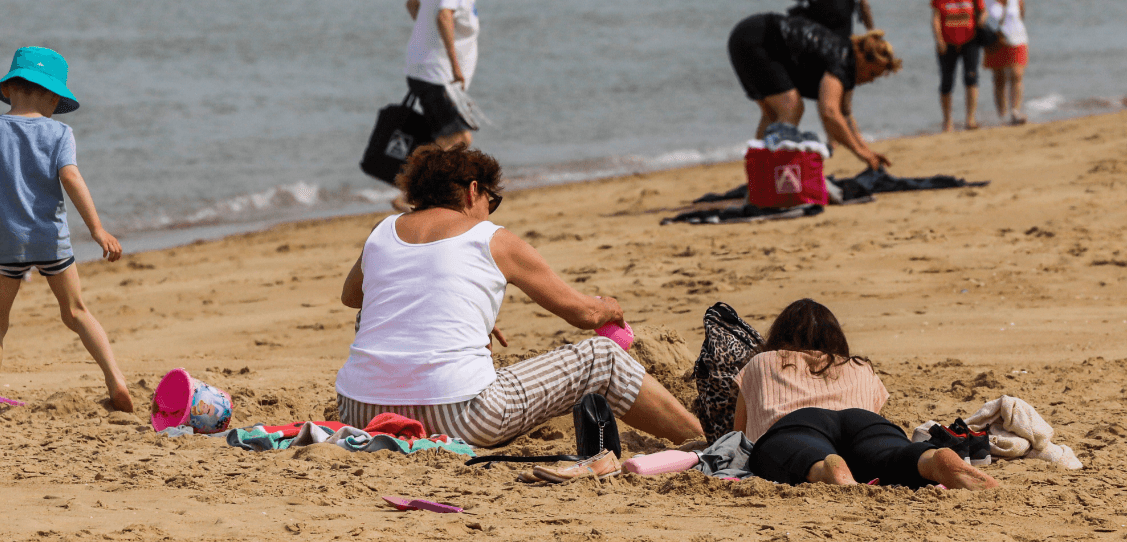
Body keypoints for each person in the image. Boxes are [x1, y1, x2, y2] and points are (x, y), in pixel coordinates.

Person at [335, 144, 704, 447]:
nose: (488, 212)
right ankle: (703, 439)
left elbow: (353, 296)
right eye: (491, 202)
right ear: (473, 190)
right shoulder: (491, 238)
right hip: (460, 415)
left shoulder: (382, 232)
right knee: (601, 358)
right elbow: (582, 315)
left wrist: (462, 312)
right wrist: (608, 306)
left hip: (362, 414)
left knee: (371, 308)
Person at [0, 46, 132, 417]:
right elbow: (71, 178)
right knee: (75, 312)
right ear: (54, 96)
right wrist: (97, 229)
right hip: (50, 240)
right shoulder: (59, 133)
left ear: (8, 90)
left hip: (4, 244)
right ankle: (116, 379)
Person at [735, 299, 999, 490]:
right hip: (863, 422)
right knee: (889, 455)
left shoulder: (762, 361)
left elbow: (740, 436)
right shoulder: (860, 367)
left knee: (801, 453)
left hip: (798, 423)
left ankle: (824, 470)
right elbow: (872, 417)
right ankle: (929, 460)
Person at [727, 12, 902, 171]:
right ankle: (770, 178)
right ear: (862, 56)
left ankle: (759, 178)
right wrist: (861, 154)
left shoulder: (848, 63)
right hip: (758, 39)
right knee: (791, 107)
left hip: (747, 35)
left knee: (774, 115)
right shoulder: (842, 61)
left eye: (875, 78)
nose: (870, 80)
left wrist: (867, 152)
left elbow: (845, 116)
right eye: (872, 73)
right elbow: (830, 113)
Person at [402, 0, 499, 151]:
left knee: (446, 140)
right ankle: (435, 183)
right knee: (458, 140)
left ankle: (423, 182)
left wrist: (427, 36)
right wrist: (455, 66)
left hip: (430, 74)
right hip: (436, 76)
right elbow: (443, 15)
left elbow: (412, 3)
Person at [930, 0, 988, 132]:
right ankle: (947, 121)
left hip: (970, 41)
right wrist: (939, 39)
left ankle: (970, 119)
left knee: (971, 78)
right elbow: (936, 18)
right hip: (946, 44)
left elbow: (983, 11)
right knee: (946, 82)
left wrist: (981, 21)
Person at [983, 0, 1029, 125]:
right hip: (996, 42)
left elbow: (1021, 15)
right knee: (999, 78)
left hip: (1017, 39)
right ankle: (1001, 114)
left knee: (1016, 75)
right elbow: (985, 20)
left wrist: (1012, 30)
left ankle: (1015, 111)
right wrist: (998, 34)